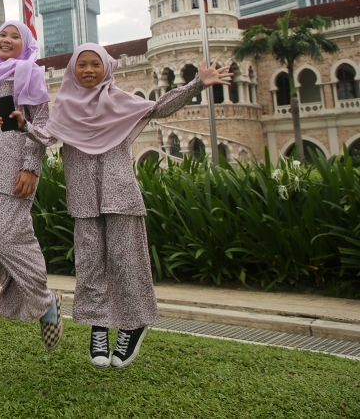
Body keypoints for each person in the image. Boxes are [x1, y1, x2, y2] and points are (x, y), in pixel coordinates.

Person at [18, 44, 231, 369]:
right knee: (90, 265)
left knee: (126, 262)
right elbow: (46, 137)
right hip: (84, 199)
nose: (88, 70)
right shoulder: (64, 107)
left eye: (95, 64)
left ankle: (133, 325)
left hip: (119, 195)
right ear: (74, 70)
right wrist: (23, 126)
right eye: (82, 65)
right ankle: (99, 328)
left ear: (106, 68)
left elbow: (159, 107)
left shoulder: (119, 101)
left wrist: (197, 83)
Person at [0, 20, 62, 350]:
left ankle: (45, 302)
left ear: (27, 43)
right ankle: (34, 300)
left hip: (13, 170)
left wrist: (32, 167)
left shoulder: (27, 72)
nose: (6, 39)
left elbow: (42, 122)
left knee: (8, 241)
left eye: (15, 36)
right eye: (3, 34)